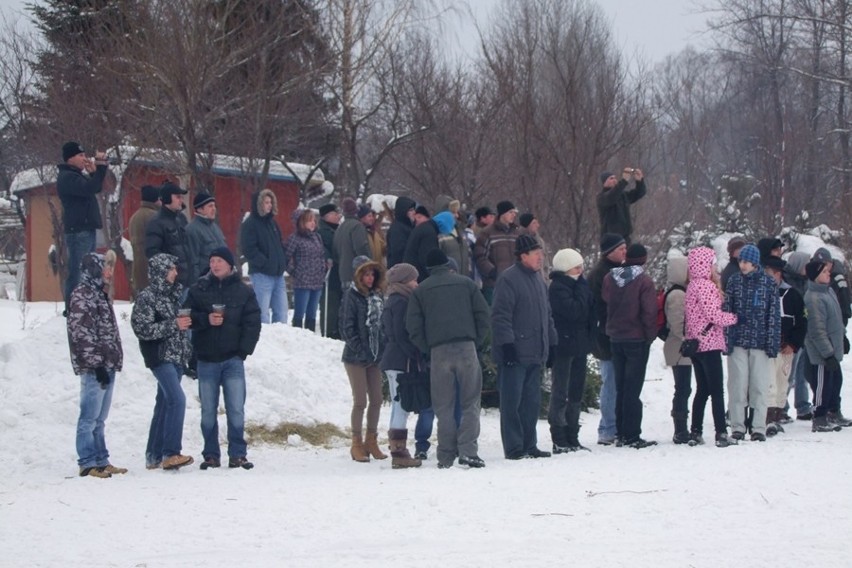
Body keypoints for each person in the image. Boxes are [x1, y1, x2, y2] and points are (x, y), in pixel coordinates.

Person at [406, 249, 491, 468]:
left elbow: (413, 326)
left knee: (443, 406)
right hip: (466, 347)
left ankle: (445, 455)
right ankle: (468, 451)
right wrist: (476, 341)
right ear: (447, 264)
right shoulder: (467, 284)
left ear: (428, 269)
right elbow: (483, 314)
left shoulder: (421, 291)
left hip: (438, 351)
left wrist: (428, 348)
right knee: (470, 402)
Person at [185, 247, 262, 470]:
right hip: (206, 359)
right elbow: (186, 316)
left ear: (230, 265)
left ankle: (238, 453)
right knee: (208, 410)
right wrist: (206, 319)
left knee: (236, 408)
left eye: (219, 261)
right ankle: (211, 454)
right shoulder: (198, 289)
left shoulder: (243, 291)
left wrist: (243, 352)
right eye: (212, 261)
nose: (215, 265)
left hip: (232, 360)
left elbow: (253, 323)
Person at [492, 234, 557, 459]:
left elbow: (546, 315)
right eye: (536, 254)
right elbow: (501, 316)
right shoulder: (508, 279)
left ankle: (530, 444)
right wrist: (507, 344)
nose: (540, 258)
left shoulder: (539, 280)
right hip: (515, 353)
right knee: (512, 403)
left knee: (531, 403)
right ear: (523, 256)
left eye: (541, 254)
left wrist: (552, 342)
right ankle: (514, 447)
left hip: (535, 351)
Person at [131, 253, 194, 471]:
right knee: (177, 399)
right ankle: (171, 453)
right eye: (171, 269)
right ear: (161, 271)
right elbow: (142, 329)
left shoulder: (172, 296)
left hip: (176, 357)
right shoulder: (147, 297)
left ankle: (153, 455)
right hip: (160, 357)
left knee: (164, 403)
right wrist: (173, 325)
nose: (176, 273)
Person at [67, 250, 124, 478]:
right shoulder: (82, 295)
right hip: (95, 368)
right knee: (89, 417)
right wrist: (96, 364)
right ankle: (87, 462)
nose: (109, 272)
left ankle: (101, 459)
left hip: (107, 363)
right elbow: (81, 333)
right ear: (94, 270)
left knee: (100, 418)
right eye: (105, 268)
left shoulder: (99, 294)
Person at [601, 243, 657, 448]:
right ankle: (632, 434)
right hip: (636, 338)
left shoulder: (610, 278)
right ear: (643, 259)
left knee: (621, 386)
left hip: (616, 338)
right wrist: (650, 336)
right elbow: (649, 312)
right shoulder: (644, 281)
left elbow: (606, 300)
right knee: (633, 388)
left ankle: (620, 432)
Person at [724, 244, 781, 442]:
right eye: (740, 261)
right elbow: (727, 310)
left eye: (746, 261)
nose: (743, 265)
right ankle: (738, 426)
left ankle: (758, 426)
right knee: (737, 385)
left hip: (760, 342)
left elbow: (773, 314)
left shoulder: (768, 283)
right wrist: (727, 339)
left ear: (755, 263)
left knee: (759, 385)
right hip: (738, 341)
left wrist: (772, 343)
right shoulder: (734, 281)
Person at [684, 247, 738, 447]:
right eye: (713, 263)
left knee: (702, 390)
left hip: (695, 344)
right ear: (705, 265)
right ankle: (721, 433)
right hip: (709, 343)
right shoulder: (705, 286)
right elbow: (714, 316)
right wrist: (735, 318)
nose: (715, 267)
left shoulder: (691, 286)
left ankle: (695, 431)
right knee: (716, 390)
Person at [340, 256, 387, 462]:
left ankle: (372, 439)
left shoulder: (378, 296)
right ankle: (356, 442)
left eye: (372, 274)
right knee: (360, 400)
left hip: (375, 356)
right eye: (366, 274)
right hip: (355, 357)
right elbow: (346, 328)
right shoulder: (351, 296)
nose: (370, 278)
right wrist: (360, 350)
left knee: (377, 399)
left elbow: (382, 326)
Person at [548, 248, 594, 453]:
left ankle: (572, 435)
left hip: (580, 344)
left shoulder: (580, 286)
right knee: (561, 390)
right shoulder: (558, 288)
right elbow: (575, 311)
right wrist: (582, 292)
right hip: (564, 345)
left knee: (576, 390)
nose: (581, 271)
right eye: (577, 267)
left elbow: (589, 312)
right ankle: (559, 436)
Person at [379, 263, 423, 469]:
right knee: (400, 404)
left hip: (393, 358)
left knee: (400, 404)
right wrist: (414, 353)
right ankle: (398, 451)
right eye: (414, 279)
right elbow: (400, 333)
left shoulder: (393, 300)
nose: (417, 283)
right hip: (399, 360)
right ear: (405, 281)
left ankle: (399, 448)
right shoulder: (401, 302)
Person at [57, 141, 108, 314]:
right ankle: (73, 306)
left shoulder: (76, 175)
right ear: (70, 158)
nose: (84, 158)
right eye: (80, 155)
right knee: (78, 269)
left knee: (88, 268)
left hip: (85, 228)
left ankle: (85, 303)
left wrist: (95, 173)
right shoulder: (68, 177)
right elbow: (90, 188)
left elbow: (95, 187)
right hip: (78, 230)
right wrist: (100, 168)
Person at [587, 233, 627, 445]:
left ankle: (616, 425)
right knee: (610, 382)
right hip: (606, 336)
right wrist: (603, 327)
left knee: (617, 382)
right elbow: (596, 307)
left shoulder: (620, 270)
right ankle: (607, 428)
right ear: (609, 251)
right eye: (621, 249)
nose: (624, 252)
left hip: (617, 333)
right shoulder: (599, 275)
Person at [762, 256, 807, 436]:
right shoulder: (763, 294)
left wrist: (794, 344)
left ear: (778, 275)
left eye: (769, 275)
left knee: (783, 382)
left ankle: (778, 414)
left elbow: (802, 322)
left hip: (787, 347)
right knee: (770, 383)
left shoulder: (792, 295)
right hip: (769, 348)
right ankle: (769, 419)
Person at [803, 260, 846, 433]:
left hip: (834, 348)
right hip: (822, 353)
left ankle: (834, 411)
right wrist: (827, 354)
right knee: (823, 385)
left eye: (828, 271)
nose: (829, 274)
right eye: (824, 272)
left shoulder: (828, 292)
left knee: (836, 381)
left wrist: (843, 338)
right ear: (815, 276)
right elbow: (816, 329)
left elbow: (836, 319)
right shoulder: (813, 298)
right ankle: (820, 416)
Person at [241, 189, 288, 324]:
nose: (269, 205)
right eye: (266, 202)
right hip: (262, 275)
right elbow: (249, 249)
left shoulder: (272, 223)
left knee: (282, 313)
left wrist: (281, 261)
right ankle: (263, 342)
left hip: (278, 275)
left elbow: (279, 244)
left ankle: (280, 341)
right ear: (259, 204)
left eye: (271, 202)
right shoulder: (250, 224)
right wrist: (265, 263)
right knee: (262, 314)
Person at [661, 256, 692, 444]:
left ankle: (681, 427)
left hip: (679, 346)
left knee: (683, 388)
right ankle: (680, 429)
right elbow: (677, 324)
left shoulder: (676, 292)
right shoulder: (678, 295)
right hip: (680, 347)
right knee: (682, 388)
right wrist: (688, 338)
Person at [783, 251, 815, 421]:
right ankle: (781, 406)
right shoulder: (788, 281)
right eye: (805, 264)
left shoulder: (806, 282)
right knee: (789, 373)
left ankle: (803, 405)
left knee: (802, 373)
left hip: (804, 332)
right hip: (792, 333)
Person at [284, 209, 327, 330]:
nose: (313, 223)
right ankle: (298, 336)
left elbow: (321, 255)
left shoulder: (317, 237)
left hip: (317, 281)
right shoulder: (295, 238)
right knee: (299, 313)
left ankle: (310, 338)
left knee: (312, 314)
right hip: (303, 282)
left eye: (314, 220)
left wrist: (323, 268)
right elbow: (285, 258)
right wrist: (295, 272)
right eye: (309, 221)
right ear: (302, 222)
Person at [474, 200, 521, 303]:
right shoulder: (487, 232)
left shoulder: (517, 233)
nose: (513, 215)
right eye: (510, 212)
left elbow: (521, 255)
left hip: (515, 283)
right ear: (502, 214)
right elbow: (480, 256)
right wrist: (492, 272)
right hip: (494, 284)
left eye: (514, 213)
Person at [145, 182, 191, 287]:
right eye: (177, 197)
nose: (181, 200)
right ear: (167, 198)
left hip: (187, 280)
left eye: (181, 197)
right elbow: (151, 251)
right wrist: (169, 268)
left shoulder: (181, 219)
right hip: (170, 283)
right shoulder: (156, 223)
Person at [185, 191, 226, 285]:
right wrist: (197, 286)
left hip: (221, 281)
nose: (214, 209)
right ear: (200, 209)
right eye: (210, 206)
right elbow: (192, 262)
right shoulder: (192, 230)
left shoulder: (215, 227)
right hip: (206, 282)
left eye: (214, 206)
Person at [596, 168, 646, 242]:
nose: (614, 180)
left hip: (625, 237)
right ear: (604, 182)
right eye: (611, 178)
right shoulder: (601, 197)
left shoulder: (622, 195)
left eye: (615, 178)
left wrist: (640, 181)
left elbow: (639, 193)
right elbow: (611, 197)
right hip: (610, 239)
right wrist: (623, 181)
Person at [128, 185, 161, 297]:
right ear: (156, 200)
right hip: (151, 271)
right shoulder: (155, 217)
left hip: (138, 270)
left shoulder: (134, 217)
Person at [333, 197, 372, 290]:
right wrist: (370, 265)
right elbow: (361, 249)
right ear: (356, 211)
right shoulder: (357, 226)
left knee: (349, 301)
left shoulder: (340, 228)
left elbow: (335, 252)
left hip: (343, 273)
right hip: (357, 274)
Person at [317, 203, 342, 339]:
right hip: (330, 275)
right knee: (330, 306)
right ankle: (329, 332)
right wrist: (328, 258)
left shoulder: (337, 230)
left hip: (339, 274)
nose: (338, 216)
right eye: (334, 213)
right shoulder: (323, 233)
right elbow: (323, 248)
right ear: (327, 216)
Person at [403, 206, 440, 283]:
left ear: (427, 218)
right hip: (421, 278)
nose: (417, 220)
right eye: (415, 218)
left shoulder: (419, 230)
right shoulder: (428, 231)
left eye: (419, 217)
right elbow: (427, 257)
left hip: (412, 275)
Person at [435, 211, 471, 279]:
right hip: (447, 280)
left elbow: (468, 255)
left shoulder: (462, 232)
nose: (457, 215)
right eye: (453, 212)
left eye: (457, 212)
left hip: (465, 278)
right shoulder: (439, 235)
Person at [386, 197, 416, 268]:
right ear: (403, 212)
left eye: (414, 209)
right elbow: (399, 253)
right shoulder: (397, 229)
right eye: (411, 210)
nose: (414, 212)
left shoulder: (408, 226)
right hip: (402, 270)